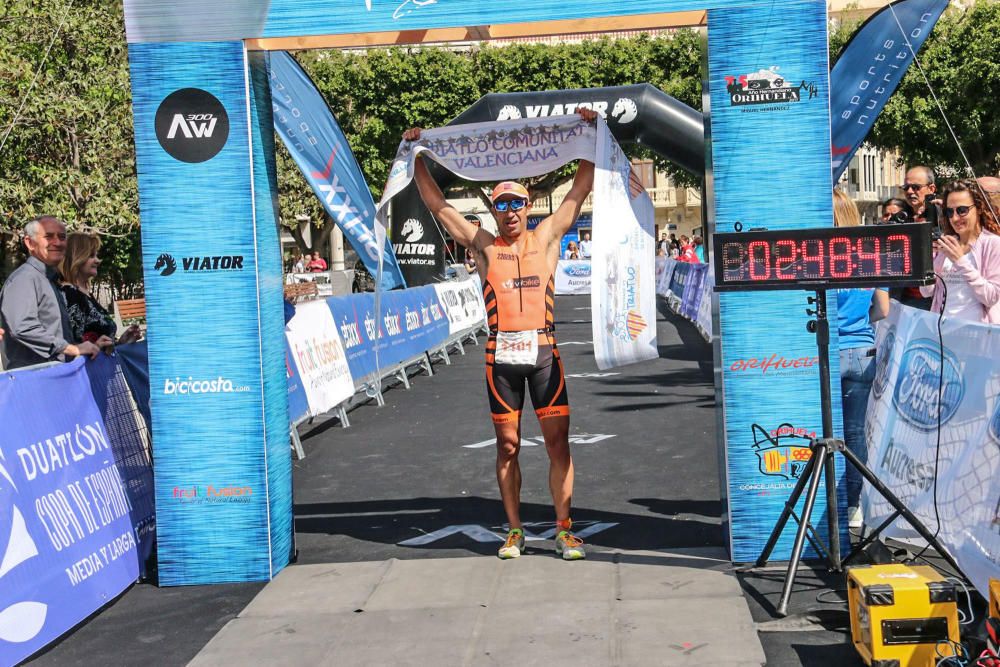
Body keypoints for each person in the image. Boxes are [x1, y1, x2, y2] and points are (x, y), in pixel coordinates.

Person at [404, 108, 596, 560]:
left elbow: (580, 188)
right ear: (494, 210)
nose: (509, 211)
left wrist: (589, 133)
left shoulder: (548, 238)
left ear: (528, 206)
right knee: (507, 444)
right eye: (501, 204)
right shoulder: (484, 246)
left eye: (516, 203)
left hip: (545, 353)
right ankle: (514, 530)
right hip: (501, 359)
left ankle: (564, 529)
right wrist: (415, 155)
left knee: (557, 443)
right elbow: (438, 207)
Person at [832, 189, 890, 528]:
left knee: (823, 430)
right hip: (863, 351)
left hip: (826, 351)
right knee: (855, 434)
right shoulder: (871, 256)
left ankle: (826, 504)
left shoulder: (816, 255)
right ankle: (854, 505)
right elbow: (882, 309)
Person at [0, 216, 101, 369]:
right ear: (29, 243)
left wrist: (84, 347)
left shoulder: (49, 280)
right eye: (48, 236)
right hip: (35, 380)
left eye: (62, 237)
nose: (58, 242)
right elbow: (22, 327)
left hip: (55, 376)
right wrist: (70, 348)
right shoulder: (24, 279)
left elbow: (57, 332)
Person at [919, 179, 1000, 323]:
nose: (955, 218)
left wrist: (960, 261)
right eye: (949, 212)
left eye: (962, 210)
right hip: (943, 334)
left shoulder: (993, 244)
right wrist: (929, 260)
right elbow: (926, 292)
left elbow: (991, 297)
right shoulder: (946, 243)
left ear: (979, 208)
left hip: (978, 335)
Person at [59, 232, 141, 347]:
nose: (98, 260)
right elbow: (71, 349)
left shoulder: (85, 294)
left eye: (96, 255)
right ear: (77, 258)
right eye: (91, 256)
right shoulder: (70, 294)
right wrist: (96, 347)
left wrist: (121, 342)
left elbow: (100, 346)